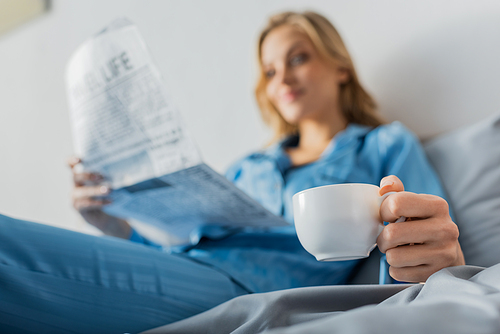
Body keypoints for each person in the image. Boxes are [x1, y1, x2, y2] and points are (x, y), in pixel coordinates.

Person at [0, 11, 464, 334]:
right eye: (268, 71)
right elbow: (186, 239)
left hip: (251, 289)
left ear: (339, 65)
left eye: (298, 58)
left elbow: (424, 241)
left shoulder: (383, 143)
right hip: (190, 266)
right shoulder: (249, 165)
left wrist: (432, 259)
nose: (282, 78)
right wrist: (115, 225)